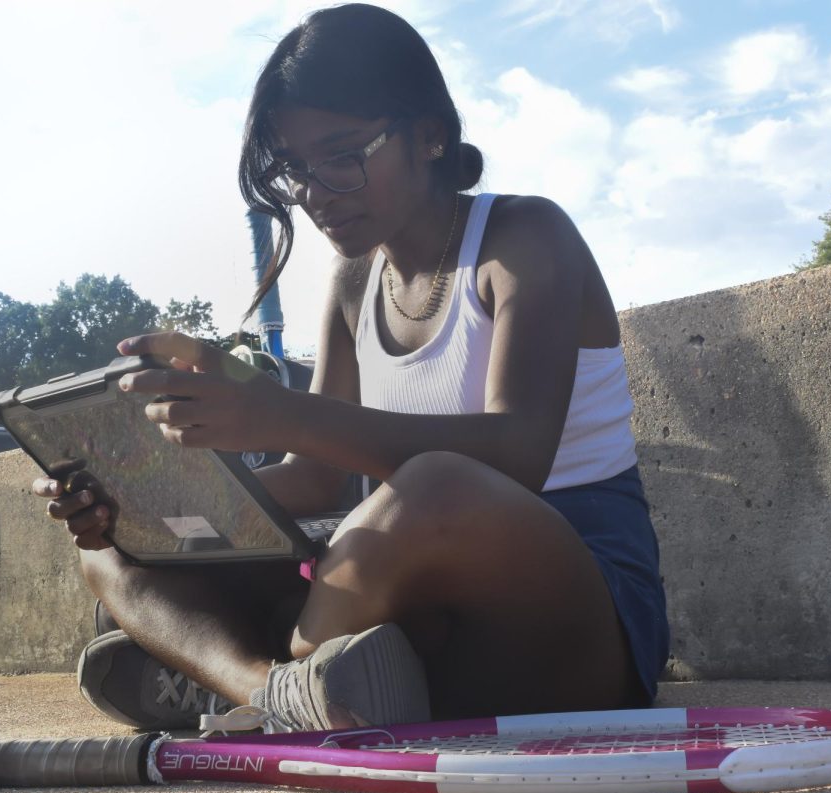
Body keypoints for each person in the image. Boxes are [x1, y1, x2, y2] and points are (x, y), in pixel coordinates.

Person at [36, 2, 668, 734]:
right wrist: (146, 502)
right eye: (294, 168)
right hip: (412, 620)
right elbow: (314, 479)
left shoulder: (524, 238)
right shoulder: (352, 284)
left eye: (342, 156)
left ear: (429, 135)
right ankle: (271, 691)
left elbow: (519, 455)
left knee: (435, 484)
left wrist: (275, 412)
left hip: (576, 618)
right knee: (116, 557)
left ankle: (232, 676)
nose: (313, 193)